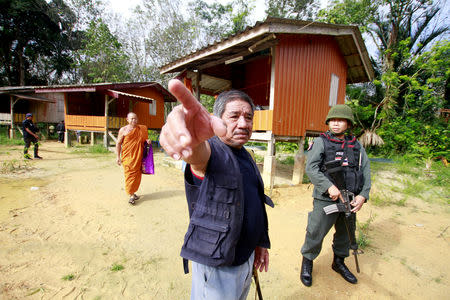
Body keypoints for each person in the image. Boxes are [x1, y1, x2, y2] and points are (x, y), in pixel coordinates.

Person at [160, 79, 273, 300]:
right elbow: (198, 156)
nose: (243, 124)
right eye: (234, 116)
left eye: (248, 117)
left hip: (245, 258)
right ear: (217, 119)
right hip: (218, 266)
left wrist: (260, 242)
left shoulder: (246, 156)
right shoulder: (213, 152)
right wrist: (191, 142)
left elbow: (255, 202)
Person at [300, 104, 371, 287]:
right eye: (332, 120)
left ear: (348, 123)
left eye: (340, 120)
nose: (336, 124)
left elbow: (365, 171)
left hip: (350, 199)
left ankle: (338, 262)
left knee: (346, 234)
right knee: (316, 231)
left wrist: (363, 195)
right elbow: (311, 168)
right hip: (327, 199)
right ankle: (307, 261)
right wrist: (329, 186)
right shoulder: (321, 142)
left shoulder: (356, 146)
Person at [116, 112, 149, 205]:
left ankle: (133, 193)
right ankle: (131, 195)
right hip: (127, 157)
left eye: (135, 118)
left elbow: (144, 141)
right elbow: (118, 143)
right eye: (132, 119)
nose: (134, 120)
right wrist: (118, 157)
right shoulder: (123, 130)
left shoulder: (141, 129)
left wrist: (148, 142)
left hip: (138, 157)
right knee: (130, 175)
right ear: (127, 119)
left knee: (137, 176)